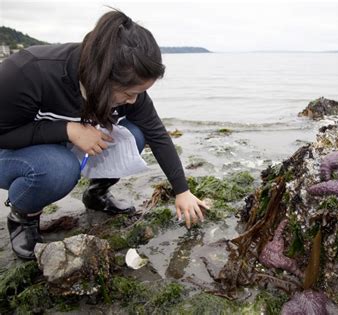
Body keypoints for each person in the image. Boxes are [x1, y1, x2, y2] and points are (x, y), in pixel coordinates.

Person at [0, 9, 207, 260]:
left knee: (135, 134)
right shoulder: (28, 72)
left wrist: (182, 191)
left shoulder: (128, 86)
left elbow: (157, 133)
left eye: (139, 93)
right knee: (59, 169)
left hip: (63, 141)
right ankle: (24, 216)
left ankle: (96, 193)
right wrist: (68, 130)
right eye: (128, 93)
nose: (133, 101)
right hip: (12, 150)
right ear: (101, 77)